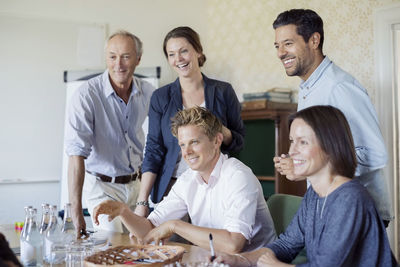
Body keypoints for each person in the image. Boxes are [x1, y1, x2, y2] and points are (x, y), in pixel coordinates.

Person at [213, 105, 397, 266]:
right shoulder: (315, 194)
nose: (292, 151)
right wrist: (239, 260)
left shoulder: (350, 198)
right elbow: (286, 245)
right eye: (292, 141)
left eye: (303, 142)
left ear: (330, 145)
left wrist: (275, 266)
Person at [93, 107, 276, 253]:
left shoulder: (238, 177)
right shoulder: (187, 180)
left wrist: (174, 226)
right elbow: (149, 230)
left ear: (217, 140)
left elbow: (233, 244)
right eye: (182, 144)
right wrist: (124, 212)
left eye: (194, 142)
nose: (186, 152)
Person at [272, 9, 393, 226]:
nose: (281, 52)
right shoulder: (308, 88)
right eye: (277, 46)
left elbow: (376, 154)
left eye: (288, 43)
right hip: (331, 208)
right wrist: (299, 161)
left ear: (314, 40)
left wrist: (310, 166)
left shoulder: (339, 87)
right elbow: (326, 148)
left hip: (356, 212)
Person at [134, 26, 245, 217]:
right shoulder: (161, 97)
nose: (179, 59)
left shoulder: (223, 91)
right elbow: (154, 149)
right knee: (170, 245)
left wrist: (217, 129)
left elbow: (238, 141)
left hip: (215, 185)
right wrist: (143, 201)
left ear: (198, 51)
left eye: (184, 51)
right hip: (173, 186)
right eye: (171, 54)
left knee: (208, 244)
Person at [64, 30, 154, 234]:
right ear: (106, 58)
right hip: (103, 188)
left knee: (139, 246)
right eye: (112, 57)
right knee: (113, 244)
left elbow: (163, 138)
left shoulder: (148, 92)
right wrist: (76, 213)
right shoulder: (86, 95)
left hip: (137, 186)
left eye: (126, 56)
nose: (118, 64)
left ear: (138, 59)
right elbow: (76, 155)